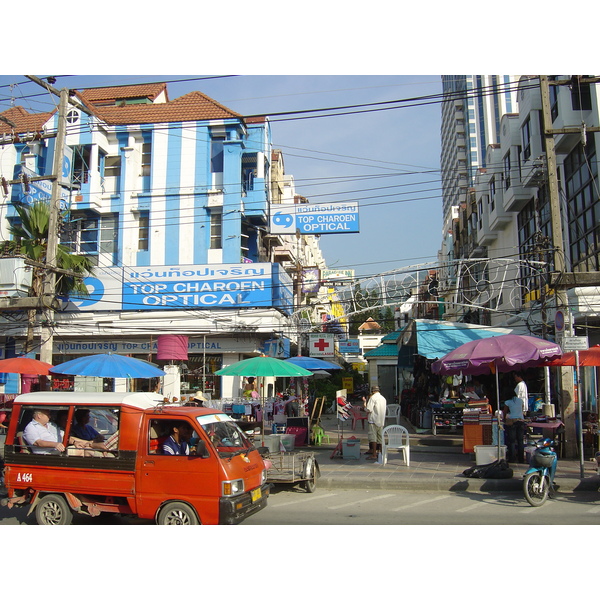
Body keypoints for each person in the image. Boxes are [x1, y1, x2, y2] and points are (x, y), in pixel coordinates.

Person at [23, 409, 89, 455]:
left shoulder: (51, 425)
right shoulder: (31, 427)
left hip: (60, 451)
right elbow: (38, 443)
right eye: (48, 414)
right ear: (39, 416)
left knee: (86, 448)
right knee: (82, 451)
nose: (50, 416)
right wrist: (55, 444)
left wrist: (77, 442)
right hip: (46, 455)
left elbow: (64, 436)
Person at [364, 386, 387, 460]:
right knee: (380, 438)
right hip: (381, 420)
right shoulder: (383, 398)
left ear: (372, 391)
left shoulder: (373, 398)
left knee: (373, 438)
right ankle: (381, 453)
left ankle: (374, 454)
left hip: (373, 420)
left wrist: (364, 406)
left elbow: (369, 409)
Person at [503, 395, 527, 464]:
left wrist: (504, 419)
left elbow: (505, 412)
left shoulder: (507, 402)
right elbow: (521, 410)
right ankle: (521, 459)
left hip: (512, 422)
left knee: (512, 441)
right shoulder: (520, 400)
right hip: (520, 421)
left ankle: (512, 458)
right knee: (520, 441)